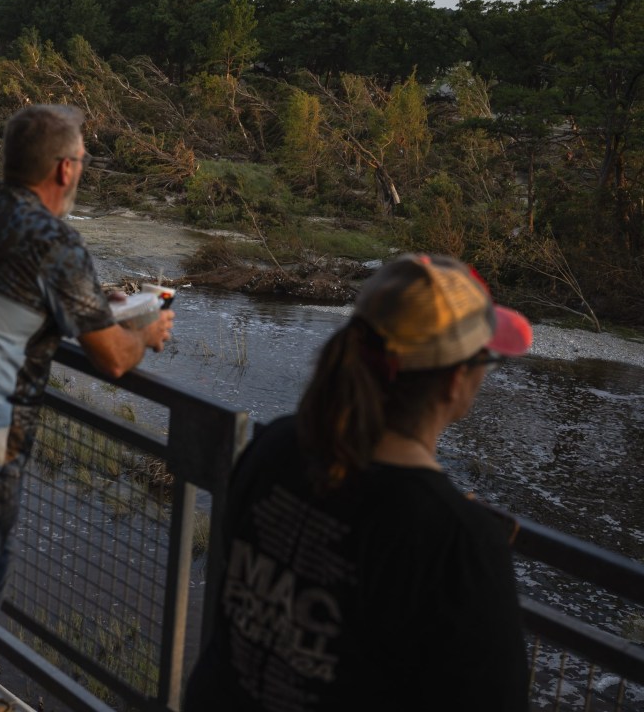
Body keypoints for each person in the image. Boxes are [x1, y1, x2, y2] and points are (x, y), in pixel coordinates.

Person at [0, 104, 175, 712]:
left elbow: (12, 291)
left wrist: (95, 301)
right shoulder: (54, 239)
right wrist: (146, 328)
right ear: (66, 169)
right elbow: (115, 359)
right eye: (83, 164)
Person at [184, 254, 533, 711]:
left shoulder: (277, 445)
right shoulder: (458, 545)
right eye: (486, 358)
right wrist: (452, 517)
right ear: (454, 380)